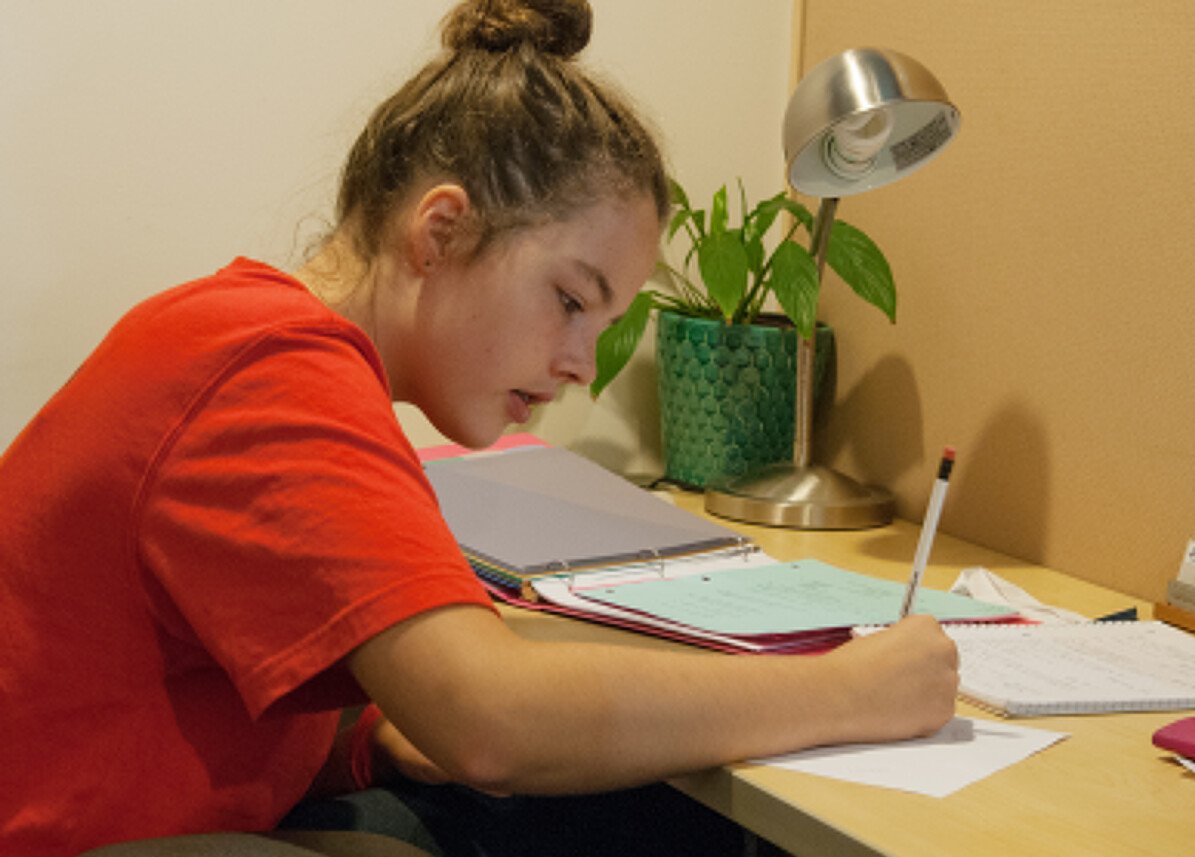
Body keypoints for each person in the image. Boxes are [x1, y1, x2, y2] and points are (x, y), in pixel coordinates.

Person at [0, 1, 959, 855]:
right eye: (570, 300)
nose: (584, 361)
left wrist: (372, 738)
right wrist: (851, 691)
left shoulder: (257, 338)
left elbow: (214, 688)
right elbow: (490, 721)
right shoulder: (270, 367)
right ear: (440, 232)